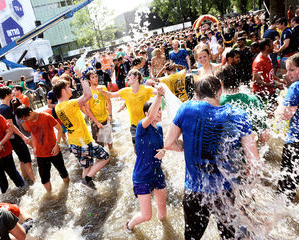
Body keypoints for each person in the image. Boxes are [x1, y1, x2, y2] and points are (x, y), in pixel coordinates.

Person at [164, 75, 260, 240]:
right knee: (228, 236)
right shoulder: (238, 115)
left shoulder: (187, 109)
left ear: (196, 95)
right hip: (225, 192)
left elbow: (168, 143)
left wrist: (188, 146)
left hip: (194, 191)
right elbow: (254, 161)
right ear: (220, 90)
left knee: (192, 237)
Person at [54, 70, 110, 190]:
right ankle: (87, 180)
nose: (70, 90)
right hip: (83, 141)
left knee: (86, 167)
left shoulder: (58, 107)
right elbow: (88, 95)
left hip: (74, 142)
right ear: (63, 91)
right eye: (68, 87)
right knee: (105, 157)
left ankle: (87, 189)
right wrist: (81, 77)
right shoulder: (69, 104)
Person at [126, 86, 167, 232]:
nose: (159, 112)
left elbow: (161, 148)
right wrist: (159, 96)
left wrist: (163, 151)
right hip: (142, 176)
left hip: (157, 173)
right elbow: (150, 117)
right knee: (146, 216)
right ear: (146, 113)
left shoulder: (160, 129)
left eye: (160, 110)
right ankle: (129, 225)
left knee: (163, 214)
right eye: (157, 110)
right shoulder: (141, 127)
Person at [15, 105, 70, 192]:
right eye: (23, 119)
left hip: (54, 151)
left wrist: (57, 145)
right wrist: (34, 147)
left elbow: (59, 129)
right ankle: (50, 195)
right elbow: (33, 133)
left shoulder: (46, 117)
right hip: (40, 154)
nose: (26, 120)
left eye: (26, 118)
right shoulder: (27, 121)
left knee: (63, 173)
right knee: (44, 179)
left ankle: (67, 189)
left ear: (30, 112)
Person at [99, 69, 155, 147]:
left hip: (147, 123)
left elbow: (158, 93)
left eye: (130, 75)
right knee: (137, 150)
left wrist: (156, 85)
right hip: (134, 126)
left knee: (150, 147)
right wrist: (101, 91)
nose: (127, 77)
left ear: (136, 77)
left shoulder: (146, 89)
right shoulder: (125, 91)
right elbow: (111, 95)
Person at [0, 87, 35, 183]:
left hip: (11, 139)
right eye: (11, 93)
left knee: (22, 159)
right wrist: (23, 136)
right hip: (16, 138)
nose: (12, 94)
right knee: (27, 159)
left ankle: (25, 179)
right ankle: (34, 181)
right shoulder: (5, 109)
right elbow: (11, 125)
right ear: (7, 95)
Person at [275, 53, 299, 201]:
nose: (287, 74)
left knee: (286, 190)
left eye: (292, 70)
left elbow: (284, 116)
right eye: (287, 70)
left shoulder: (296, 87)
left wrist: (279, 105)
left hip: (295, 142)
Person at [252, 38, 285, 111]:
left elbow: (269, 73)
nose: (274, 46)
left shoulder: (267, 57)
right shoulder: (259, 61)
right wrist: (274, 85)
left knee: (274, 110)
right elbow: (257, 80)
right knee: (268, 113)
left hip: (269, 91)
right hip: (262, 94)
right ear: (267, 47)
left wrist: (279, 80)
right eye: (272, 44)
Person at [84, 70, 113, 150]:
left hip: (105, 119)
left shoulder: (103, 88)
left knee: (109, 141)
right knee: (99, 144)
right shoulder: (88, 92)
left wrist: (110, 114)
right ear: (89, 80)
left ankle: (112, 156)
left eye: (96, 76)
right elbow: (87, 109)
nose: (96, 79)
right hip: (95, 122)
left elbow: (109, 102)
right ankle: (104, 159)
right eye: (93, 77)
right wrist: (97, 123)